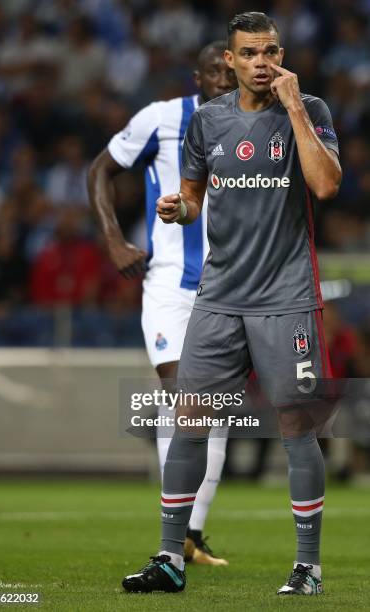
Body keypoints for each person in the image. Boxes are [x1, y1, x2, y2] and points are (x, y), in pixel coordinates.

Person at [122, 12, 341, 595]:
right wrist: (178, 210)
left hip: (286, 299)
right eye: (249, 53)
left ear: (282, 54)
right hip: (218, 299)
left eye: (270, 51)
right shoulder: (208, 122)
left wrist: (294, 109)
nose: (262, 62)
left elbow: (325, 185)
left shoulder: (311, 110)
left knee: (297, 428)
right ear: (231, 61)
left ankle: (307, 568)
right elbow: (194, 198)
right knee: (189, 422)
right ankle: (171, 558)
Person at [88, 42, 237, 565]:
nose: (223, 79)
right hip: (171, 286)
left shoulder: (260, 125)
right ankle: (176, 538)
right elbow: (101, 170)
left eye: (230, 70)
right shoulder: (161, 117)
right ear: (198, 77)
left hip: (231, 289)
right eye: (214, 72)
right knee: (186, 399)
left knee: (215, 413)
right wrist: (112, 238)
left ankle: (191, 535)